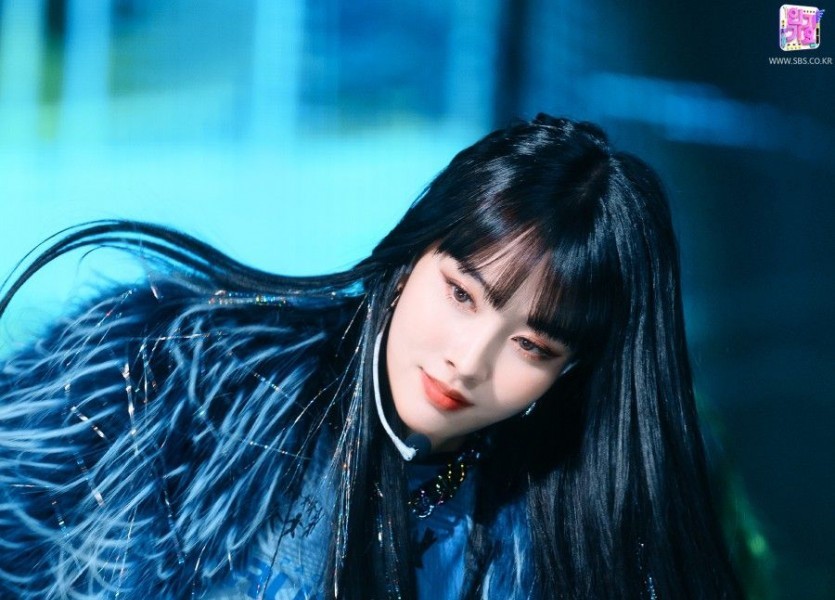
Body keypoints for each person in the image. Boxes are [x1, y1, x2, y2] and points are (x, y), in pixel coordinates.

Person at [0, 115, 741, 599]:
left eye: (530, 345)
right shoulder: (177, 383)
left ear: (567, 372)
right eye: (460, 294)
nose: (467, 361)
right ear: (410, 257)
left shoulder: (548, 539)